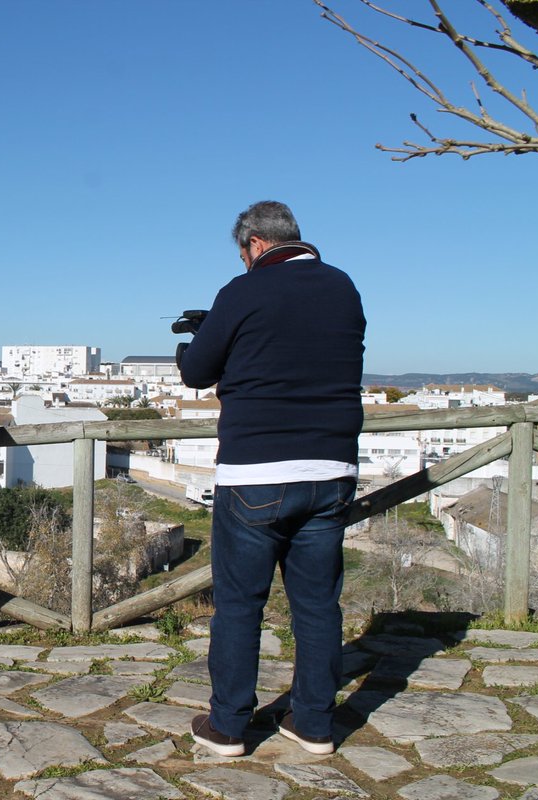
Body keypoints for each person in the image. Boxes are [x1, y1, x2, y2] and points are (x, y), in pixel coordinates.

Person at [178, 201, 366, 757]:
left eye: (243, 254)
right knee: (316, 604)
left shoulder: (243, 291)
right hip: (333, 469)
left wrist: (203, 336)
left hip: (257, 469)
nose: (243, 262)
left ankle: (229, 725)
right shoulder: (343, 287)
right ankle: (312, 723)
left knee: (240, 603)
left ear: (256, 243)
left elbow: (196, 372)